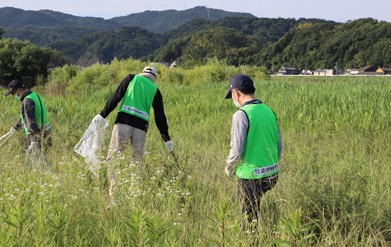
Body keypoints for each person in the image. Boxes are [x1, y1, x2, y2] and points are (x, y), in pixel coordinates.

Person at [93, 66, 173, 200]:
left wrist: (103, 114)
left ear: (143, 73)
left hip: (123, 123)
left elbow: (116, 96)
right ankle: (134, 196)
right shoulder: (155, 90)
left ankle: (115, 197)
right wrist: (166, 138)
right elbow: (160, 116)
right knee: (137, 162)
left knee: (113, 159)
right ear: (154, 78)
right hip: (141, 128)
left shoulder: (131, 78)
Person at [224, 74, 282, 230]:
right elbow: (279, 146)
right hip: (271, 175)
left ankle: (251, 240)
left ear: (236, 92)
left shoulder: (241, 115)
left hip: (251, 177)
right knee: (254, 210)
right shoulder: (269, 111)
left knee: (247, 220)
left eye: (232, 95)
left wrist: (229, 168)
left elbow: (236, 150)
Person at [4, 79, 52, 169]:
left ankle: (45, 177)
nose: (14, 95)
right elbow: (24, 116)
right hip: (46, 132)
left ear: (20, 90)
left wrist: (34, 141)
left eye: (14, 92)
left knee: (36, 162)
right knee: (38, 160)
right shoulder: (35, 95)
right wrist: (15, 127)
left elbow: (31, 122)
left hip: (37, 135)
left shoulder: (27, 101)